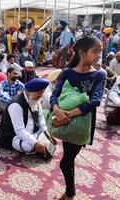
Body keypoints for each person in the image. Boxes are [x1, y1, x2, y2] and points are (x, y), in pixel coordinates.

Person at [50, 35, 106, 200]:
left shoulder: (99, 75)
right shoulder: (67, 73)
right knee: (69, 158)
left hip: (82, 124)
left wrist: (66, 114)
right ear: (82, 53)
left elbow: (95, 100)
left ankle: (70, 195)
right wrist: (56, 109)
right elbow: (55, 94)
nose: (98, 55)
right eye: (95, 51)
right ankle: (70, 193)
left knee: (65, 162)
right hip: (65, 123)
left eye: (100, 51)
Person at [0, 78, 56, 154]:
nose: (41, 96)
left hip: (31, 130)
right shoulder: (16, 105)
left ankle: (38, 139)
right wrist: (36, 143)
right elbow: (19, 130)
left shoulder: (35, 99)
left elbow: (40, 117)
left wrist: (46, 132)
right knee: (29, 147)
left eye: (42, 92)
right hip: (13, 135)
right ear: (30, 91)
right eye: (39, 93)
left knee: (47, 134)